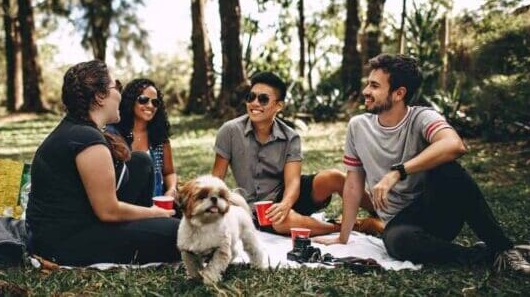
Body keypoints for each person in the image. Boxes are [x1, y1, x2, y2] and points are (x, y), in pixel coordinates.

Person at [314, 53, 530, 276]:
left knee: (448, 168)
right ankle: (487, 255)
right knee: (396, 242)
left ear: (399, 93)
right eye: (368, 83)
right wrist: (342, 237)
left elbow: (454, 145)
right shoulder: (358, 126)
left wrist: (398, 172)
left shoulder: (422, 117)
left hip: (437, 212)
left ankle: (504, 248)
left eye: (375, 86)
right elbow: (354, 184)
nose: (366, 91)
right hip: (401, 225)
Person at [26, 60, 180, 266]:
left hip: (74, 225)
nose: (120, 93)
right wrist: (155, 213)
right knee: (183, 234)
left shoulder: (79, 129)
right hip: (67, 242)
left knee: (140, 161)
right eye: (116, 86)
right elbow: (108, 211)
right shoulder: (87, 140)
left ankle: (149, 226)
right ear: (100, 96)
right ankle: (152, 227)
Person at [211, 71, 382, 236]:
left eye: (263, 99)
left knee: (334, 177)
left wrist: (285, 204)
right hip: (256, 208)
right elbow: (217, 177)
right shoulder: (230, 131)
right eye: (251, 97)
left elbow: (293, 182)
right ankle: (353, 226)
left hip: (288, 194)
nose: (254, 103)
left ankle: (381, 213)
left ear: (278, 106)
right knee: (282, 221)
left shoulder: (290, 137)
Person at [109, 78, 177, 198]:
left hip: (155, 205)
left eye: (155, 102)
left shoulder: (159, 137)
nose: (150, 106)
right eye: (143, 100)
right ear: (131, 101)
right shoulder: (113, 134)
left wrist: (171, 189)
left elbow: (169, 172)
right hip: (124, 206)